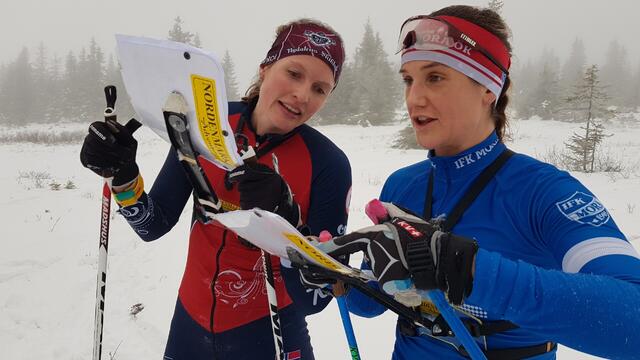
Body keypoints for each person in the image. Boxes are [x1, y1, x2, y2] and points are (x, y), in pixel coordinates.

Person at [315, 5, 640, 360]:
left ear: (488, 88)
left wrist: (466, 267)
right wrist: (340, 276)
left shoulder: (543, 192)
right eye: (408, 79)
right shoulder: (402, 185)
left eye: (435, 77)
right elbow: (372, 304)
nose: (413, 98)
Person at [80, 19, 351, 360]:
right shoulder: (207, 123)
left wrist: (287, 224)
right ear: (265, 68)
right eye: (294, 73)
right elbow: (153, 224)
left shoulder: (328, 163)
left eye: (320, 88)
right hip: (189, 330)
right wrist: (122, 177)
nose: (302, 95)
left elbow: (316, 299)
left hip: (272, 336)